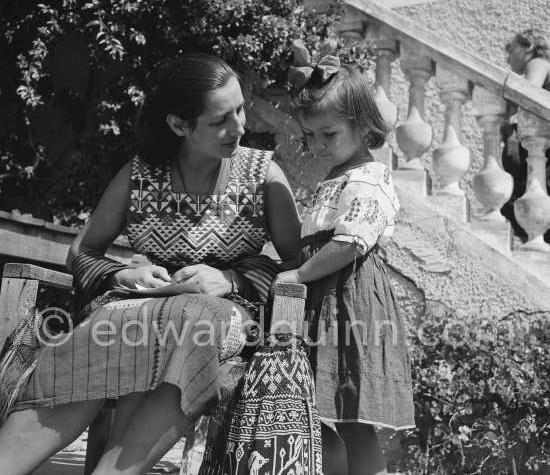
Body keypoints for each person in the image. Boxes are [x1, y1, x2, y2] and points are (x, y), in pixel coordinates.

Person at [0, 54, 301, 475]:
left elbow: (296, 263)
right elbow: (82, 253)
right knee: (109, 327)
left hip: (226, 316)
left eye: (240, 109)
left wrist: (230, 279)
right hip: (142, 311)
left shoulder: (263, 176)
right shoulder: (139, 175)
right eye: (220, 120)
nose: (240, 127)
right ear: (179, 125)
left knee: (194, 320)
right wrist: (122, 273)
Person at [272, 40, 415, 475]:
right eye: (308, 136)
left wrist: (299, 272)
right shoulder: (337, 176)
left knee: (352, 418)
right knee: (319, 410)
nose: (316, 145)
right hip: (326, 299)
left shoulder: (369, 178)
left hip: (350, 299)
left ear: (361, 124)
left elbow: (351, 242)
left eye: (328, 134)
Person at [501, 28, 550, 241]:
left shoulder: (537, 63)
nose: (507, 56)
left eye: (511, 49)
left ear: (529, 47)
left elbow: (527, 95)